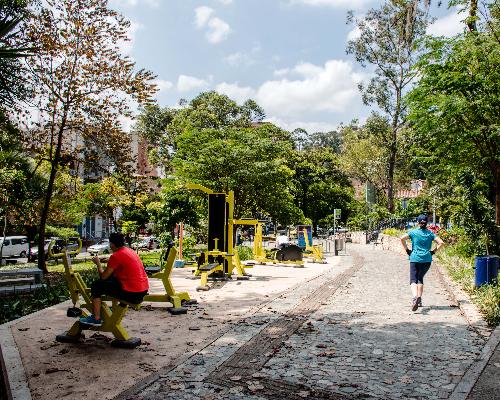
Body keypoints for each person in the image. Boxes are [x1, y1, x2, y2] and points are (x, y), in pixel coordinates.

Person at [79, 232, 149, 326]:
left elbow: (103, 277)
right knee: (113, 277)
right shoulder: (129, 251)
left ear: (112, 244)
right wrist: (109, 261)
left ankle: (96, 318)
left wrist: (98, 264)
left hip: (132, 294)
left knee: (96, 285)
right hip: (142, 291)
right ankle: (113, 307)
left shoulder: (116, 256)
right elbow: (123, 261)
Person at [400, 214, 444, 312]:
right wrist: (433, 252)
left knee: (413, 280)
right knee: (420, 278)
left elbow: (402, 238)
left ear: (418, 222)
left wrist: (407, 250)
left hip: (415, 258)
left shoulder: (413, 232)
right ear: (426, 223)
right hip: (427, 259)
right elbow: (441, 243)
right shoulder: (430, 233)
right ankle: (419, 300)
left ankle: (415, 297)